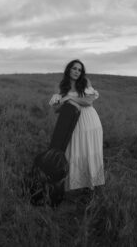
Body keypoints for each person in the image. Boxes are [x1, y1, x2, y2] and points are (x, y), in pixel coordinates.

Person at [49, 59, 105, 192]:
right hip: (72, 121)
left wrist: (70, 98)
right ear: (69, 69)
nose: (77, 72)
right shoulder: (62, 85)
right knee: (74, 150)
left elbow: (89, 101)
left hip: (89, 120)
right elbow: (56, 109)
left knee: (88, 150)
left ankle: (90, 183)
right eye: (74, 68)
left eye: (79, 70)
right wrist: (60, 102)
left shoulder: (85, 82)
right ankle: (74, 184)